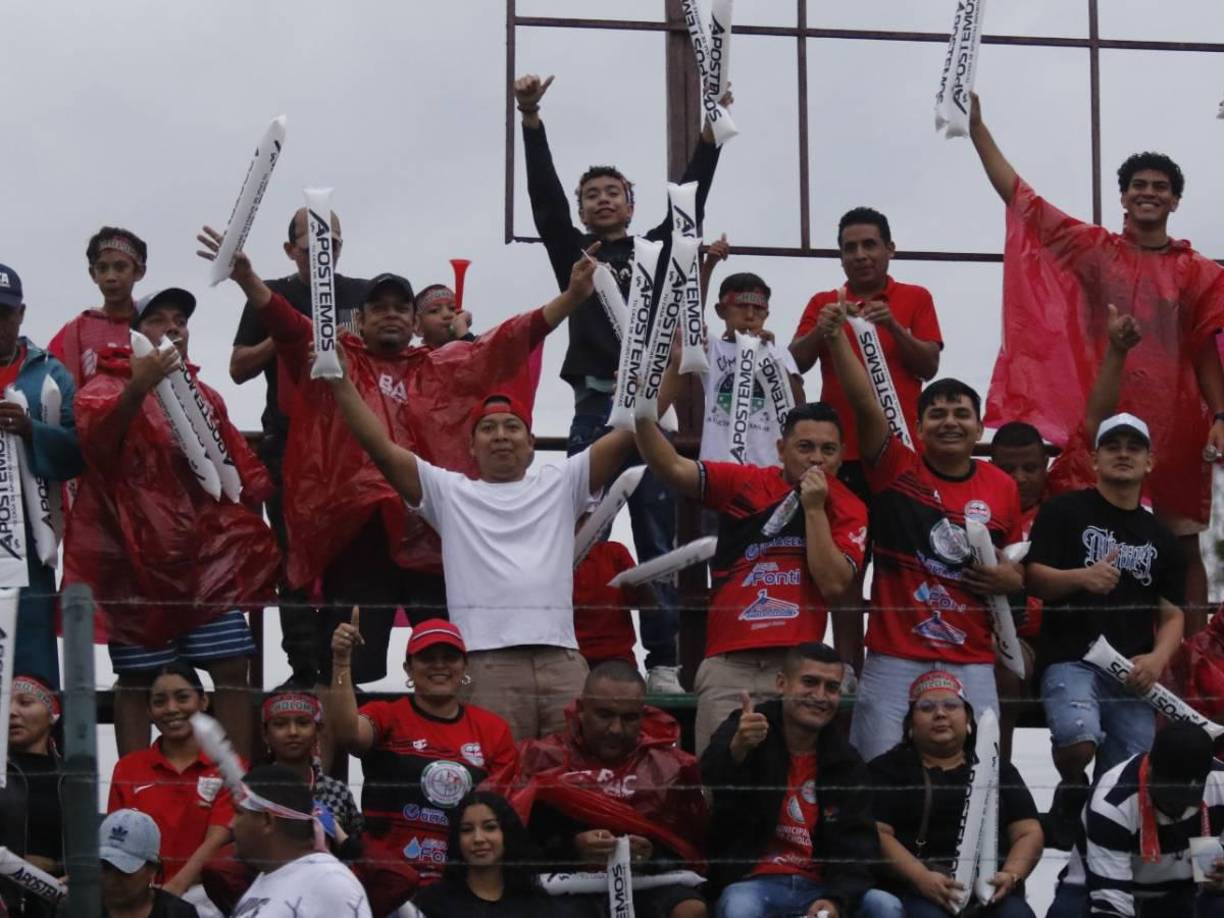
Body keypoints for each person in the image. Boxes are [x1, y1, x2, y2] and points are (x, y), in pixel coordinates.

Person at [199, 230, 558, 691]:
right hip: (358, 533)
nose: (390, 315)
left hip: (427, 532)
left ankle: (442, 748)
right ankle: (334, 755)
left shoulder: (439, 366)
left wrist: (569, 298)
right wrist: (247, 280)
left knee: (441, 653)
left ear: (413, 323)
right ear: (360, 322)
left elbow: (509, 340)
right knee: (347, 664)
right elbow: (288, 324)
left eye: (400, 308)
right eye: (378, 308)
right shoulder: (334, 360)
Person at [321, 244, 641, 737]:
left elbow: (633, 431)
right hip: (487, 665)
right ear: (469, 447)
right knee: (496, 786)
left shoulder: (562, 482)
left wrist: (660, 371)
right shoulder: (449, 493)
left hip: (562, 660)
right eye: (488, 430)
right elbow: (380, 448)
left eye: (512, 427)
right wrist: (340, 382)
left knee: (568, 780)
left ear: (532, 443)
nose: (501, 436)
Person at [970, 93, 1224, 631]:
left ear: (1175, 201)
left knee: (1184, 540)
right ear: (1124, 199)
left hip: (1178, 424)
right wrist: (977, 132)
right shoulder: (1095, 251)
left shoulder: (1198, 272)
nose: (1149, 193)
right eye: (1139, 186)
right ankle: (1085, 639)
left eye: (1160, 187)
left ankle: (1192, 651)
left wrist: (1220, 416)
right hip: (1102, 415)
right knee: (1090, 526)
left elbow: (1204, 348)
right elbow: (1023, 201)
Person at [514, 71, 730, 694]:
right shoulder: (574, 258)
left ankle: (662, 660)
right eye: (592, 195)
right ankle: (578, 649)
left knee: (657, 532)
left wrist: (714, 135)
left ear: (632, 204)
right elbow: (545, 202)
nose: (602, 201)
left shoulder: (656, 252)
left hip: (652, 410)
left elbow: (691, 194)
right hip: (593, 408)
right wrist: (531, 121)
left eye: (613, 192)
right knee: (584, 533)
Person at [64, 286, 277, 758]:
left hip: (203, 566)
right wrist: (139, 386)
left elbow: (234, 472)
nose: (174, 327)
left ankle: (232, 788)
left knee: (231, 664)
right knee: (138, 677)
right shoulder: (104, 387)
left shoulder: (206, 395)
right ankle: (134, 786)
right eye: (160, 319)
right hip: (132, 563)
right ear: (137, 334)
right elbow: (97, 444)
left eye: (180, 320)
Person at [818, 295, 1024, 761]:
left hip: (971, 657)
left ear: (979, 429)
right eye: (938, 414)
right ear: (919, 426)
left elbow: (1014, 565)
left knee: (979, 774)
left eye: (961, 414)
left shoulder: (1003, 487)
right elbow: (865, 405)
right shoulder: (895, 469)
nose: (950, 422)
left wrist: (1013, 579)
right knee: (877, 772)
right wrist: (836, 339)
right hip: (893, 656)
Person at [635, 402, 867, 755]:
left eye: (828, 450)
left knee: (786, 787)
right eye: (805, 447)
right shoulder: (746, 483)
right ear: (781, 449)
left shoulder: (849, 506)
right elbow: (670, 467)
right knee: (718, 781)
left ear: (842, 455)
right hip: (728, 666)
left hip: (794, 668)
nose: (816, 459)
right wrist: (639, 410)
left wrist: (816, 508)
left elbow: (833, 584)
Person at [990, 303, 1144, 764]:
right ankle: (1000, 785)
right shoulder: (977, 503)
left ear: (1047, 466)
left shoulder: (1062, 493)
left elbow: (1095, 423)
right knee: (1006, 671)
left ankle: (1079, 799)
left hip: (1072, 640)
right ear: (990, 470)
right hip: (1007, 640)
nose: (1019, 478)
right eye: (1007, 469)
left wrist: (1116, 350)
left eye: (1030, 467)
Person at [1026, 411, 1186, 850]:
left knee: (1125, 782)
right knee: (1078, 739)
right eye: (1113, 446)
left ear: (1149, 461)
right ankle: (1070, 789)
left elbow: (1174, 615)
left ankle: (1091, 849)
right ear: (1095, 459)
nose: (1123, 454)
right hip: (1071, 657)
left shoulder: (1163, 538)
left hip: (1132, 673)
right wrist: (1082, 578)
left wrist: (1157, 659)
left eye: (1133, 447)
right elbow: (1033, 577)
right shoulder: (1064, 511)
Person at [326, 616, 518, 885]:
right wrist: (341, 661)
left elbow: (502, 814)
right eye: (428, 657)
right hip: (389, 881)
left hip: (460, 887)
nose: (439, 665)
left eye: (449, 657)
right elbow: (348, 734)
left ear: (465, 667)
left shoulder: (493, 729)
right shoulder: (386, 714)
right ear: (408, 668)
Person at [510, 661, 709, 918]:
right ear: (581, 710)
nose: (616, 729)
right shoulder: (544, 758)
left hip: (645, 881)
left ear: (643, 715)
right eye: (604, 715)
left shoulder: (668, 767)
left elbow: (693, 852)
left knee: (690, 910)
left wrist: (651, 855)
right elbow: (517, 848)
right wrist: (572, 848)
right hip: (567, 882)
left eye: (629, 718)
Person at [700, 643, 879, 918]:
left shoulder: (847, 762)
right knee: (739, 906)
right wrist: (738, 748)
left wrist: (836, 901)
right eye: (809, 682)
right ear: (782, 683)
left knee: (884, 905)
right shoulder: (748, 725)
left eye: (831, 687)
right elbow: (711, 775)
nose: (820, 696)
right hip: (753, 882)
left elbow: (858, 849)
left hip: (823, 887)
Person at [789, 207, 942, 503]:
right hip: (837, 452)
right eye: (850, 248)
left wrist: (893, 326)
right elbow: (794, 363)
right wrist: (823, 328)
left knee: (900, 543)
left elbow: (930, 366)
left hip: (902, 447)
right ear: (841, 257)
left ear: (890, 249)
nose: (860, 255)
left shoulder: (917, 297)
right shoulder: (822, 302)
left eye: (869, 244)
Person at [866, 671, 1043, 918]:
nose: (940, 714)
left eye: (951, 705)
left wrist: (1011, 875)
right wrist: (921, 878)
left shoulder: (997, 767)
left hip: (990, 890)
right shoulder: (886, 769)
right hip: (918, 889)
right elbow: (878, 834)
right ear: (910, 725)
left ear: (968, 719)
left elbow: (1028, 832)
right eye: (926, 707)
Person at [1045, 722, 1224, 918]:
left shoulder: (1220, 783)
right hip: (1095, 890)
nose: (1176, 810)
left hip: (1182, 891)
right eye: (1168, 799)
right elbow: (1111, 905)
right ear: (1149, 772)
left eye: (1186, 800)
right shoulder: (1112, 802)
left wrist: (1217, 875)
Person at [0, 264, 82, 689]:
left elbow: (77, 451)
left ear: (21, 313)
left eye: (3, 313)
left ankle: (37, 754)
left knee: (32, 662)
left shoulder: (51, 373)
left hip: (31, 542)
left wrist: (31, 428)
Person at [108, 663, 240, 915]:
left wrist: (170, 895)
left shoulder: (228, 766)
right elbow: (117, 844)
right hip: (139, 899)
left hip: (205, 898)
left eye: (182, 698)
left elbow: (216, 840)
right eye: (159, 701)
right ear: (148, 710)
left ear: (203, 701)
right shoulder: (128, 768)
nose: (171, 709)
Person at [684, 270, 804, 467]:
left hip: (767, 468)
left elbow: (798, 405)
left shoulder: (778, 353)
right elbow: (689, 316)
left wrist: (770, 356)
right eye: (741, 306)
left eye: (758, 308)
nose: (750, 315)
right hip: (718, 466)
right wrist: (710, 265)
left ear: (767, 314)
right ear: (721, 310)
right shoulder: (712, 348)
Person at [230, 765, 372, 918]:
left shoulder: (329, 882)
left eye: (239, 813)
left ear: (267, 821)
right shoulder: (266, 879)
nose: (231, 824)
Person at [412, 791, 568, 918]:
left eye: (490, 827)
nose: (478, 839)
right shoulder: (432, 903)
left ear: (507, 833)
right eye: (467, 830)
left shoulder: (536, 902)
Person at [48, 226, 148, 386]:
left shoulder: (153, 322)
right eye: (102, 268)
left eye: (120, 267)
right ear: (93, 274)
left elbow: (183, 381)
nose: (110, 277)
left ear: (139, 272)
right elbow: (50, 384)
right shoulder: (76, 330)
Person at [0, 676, 65, 918]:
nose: (12, 713)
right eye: (5, 704)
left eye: (25, 703)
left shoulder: (72, 778)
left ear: (52, 715)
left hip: (58, 903)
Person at [99, 809, 200, 918]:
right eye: (106, 867)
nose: (112, 879)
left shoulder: (179, 914)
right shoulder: (83, 908)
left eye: (124, 871)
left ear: (152, 869)